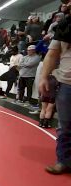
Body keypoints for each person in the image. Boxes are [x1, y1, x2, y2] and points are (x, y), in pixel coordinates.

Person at [39, 14, 71, 174]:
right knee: (65, 127)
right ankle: (63, 161)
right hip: (67, 83)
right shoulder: (64, 24)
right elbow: (52, 54)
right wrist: (44, 77)